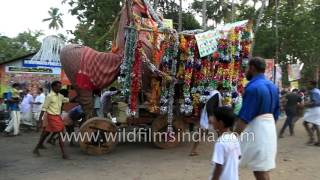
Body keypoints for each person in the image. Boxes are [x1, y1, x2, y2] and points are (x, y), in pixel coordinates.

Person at [234, 57, 280, 180]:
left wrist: (234, 136)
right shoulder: (273, 86)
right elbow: (276, 113)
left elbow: (245, 116)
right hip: (269, 128)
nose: (246, 71)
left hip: (258, 128)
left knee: (260, 169)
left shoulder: (253, 87)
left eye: (247, 68)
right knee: (260, 167)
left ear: (252, 67)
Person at [33, 81, 70, 159]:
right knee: (60, 134)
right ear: (53, 87)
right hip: (51, 117)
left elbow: (68, 100)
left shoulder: (60, 96)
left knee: (46, 133)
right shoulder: (49, 96)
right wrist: (40, 121)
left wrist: (79, 97)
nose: (59, 88)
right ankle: (64, 154)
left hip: (57, 117)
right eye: (58, 86)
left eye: (60, 86)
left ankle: (36, 148)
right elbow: (44, 108)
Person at [189, 84, 225, 156]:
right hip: (210, 116)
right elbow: (209, 104)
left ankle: (193, 150)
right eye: (224, 90)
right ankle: (222, 151)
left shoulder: (214, 93)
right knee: (219, 132)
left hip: (209, 115)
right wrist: (211, 116)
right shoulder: (217, 94)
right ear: (221, 89)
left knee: (202, 133)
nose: (224, 92)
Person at [208, 106, 241, 180]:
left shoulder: (220, 143)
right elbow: (239, 156)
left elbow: (218, 167)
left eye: (214, 118)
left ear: (221, 123)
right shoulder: (234, 137)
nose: (212, 121)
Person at [303, 80, 320, 146]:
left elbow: (315, 102)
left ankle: (312, 139)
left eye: (309, 84)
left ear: (312, 85)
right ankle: (317, 141)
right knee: (316, 125)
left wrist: (305, 104)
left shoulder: (313, 92)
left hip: (314, 110)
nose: (308, 85)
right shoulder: (318, 90)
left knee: (305, 123)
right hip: (317, 110)